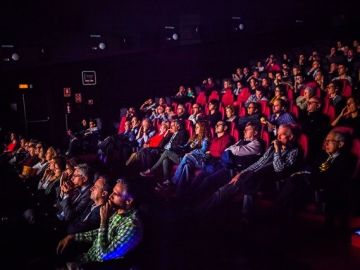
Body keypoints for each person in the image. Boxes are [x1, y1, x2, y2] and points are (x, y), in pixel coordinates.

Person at [197, 125, 301, 216]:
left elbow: (279, 169)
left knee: (249, 181)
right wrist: (242, 173)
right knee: (231, 184)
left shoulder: (293, 151)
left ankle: (245, 216)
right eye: (277, 134)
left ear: (290, 137)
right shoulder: (272, 148)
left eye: (281, 135)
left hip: (270, 179)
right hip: (254, 174)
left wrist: (278, 150)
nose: (277, 137)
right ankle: (201, 210)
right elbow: (259, 163)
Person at [57, 179, 143, 265]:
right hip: (86, 257)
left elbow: (104, 254)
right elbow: (98, 233)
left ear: (129, 201)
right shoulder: (119, 211)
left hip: (91, 265)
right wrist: (73, 237)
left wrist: (103, 221)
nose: (110, 196)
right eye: (112, 192)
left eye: (116, 194)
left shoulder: (132, 227)